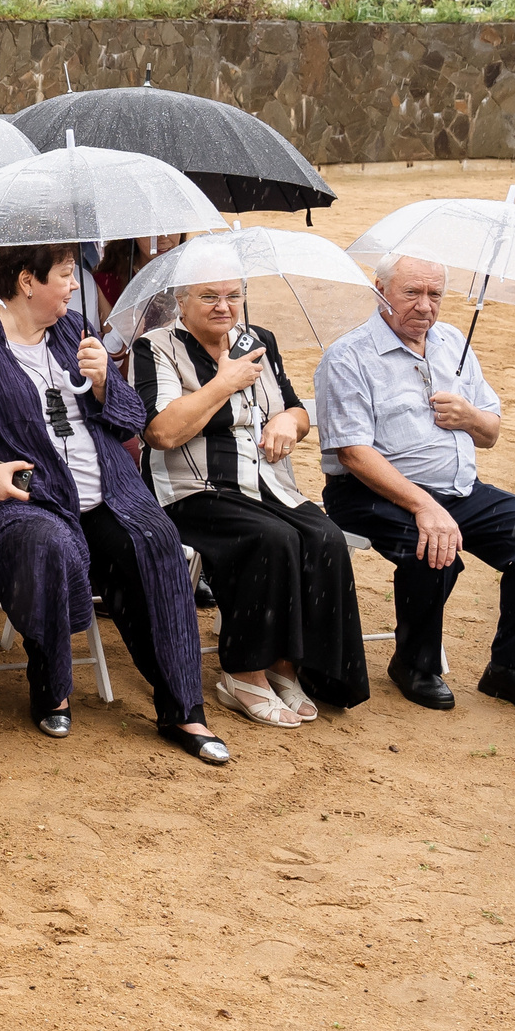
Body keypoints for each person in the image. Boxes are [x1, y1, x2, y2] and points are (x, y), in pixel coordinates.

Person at [0, 243, 229, 764]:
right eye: (64, 275)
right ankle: (51, 684)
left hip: (106, 492)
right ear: (27, 281)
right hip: (18, 499)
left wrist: (103, 384)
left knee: (156, 541)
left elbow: (129, 420)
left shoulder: (74, 329)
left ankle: (183, 710)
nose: (75, 286)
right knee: (46, 544)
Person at [316, 257, 515, 717]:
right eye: (412, 293)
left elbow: (489, 433)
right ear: (380, 291)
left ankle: (510, 669)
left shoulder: (453, 342)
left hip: (459, 490)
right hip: (371, 493)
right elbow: (352, 452)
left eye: (435, 295)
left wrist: (469, 416)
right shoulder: (349, 355)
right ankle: (414, 663)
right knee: (431, 545)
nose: (425, 306)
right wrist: (423, 505)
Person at [134, 280, 367, 726]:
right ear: (181, 301)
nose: (224, 307)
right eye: (208, 297)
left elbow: (297, 411)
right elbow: (161, 433)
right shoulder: (156, 347)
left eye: (232, 296)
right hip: (191, 488)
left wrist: (286, 421)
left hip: (265, 483)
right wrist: (224, 383)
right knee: (271, 538)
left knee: (324, 537)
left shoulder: (258, 341)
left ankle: (288, 666)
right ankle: (244, 674)